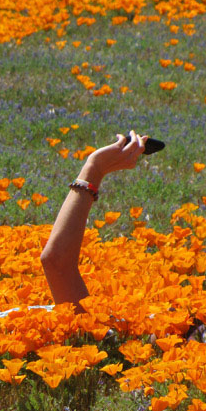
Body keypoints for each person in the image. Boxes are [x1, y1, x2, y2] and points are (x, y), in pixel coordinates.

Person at [41, 130, 148, 312]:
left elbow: (56, 262)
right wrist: (94, 168)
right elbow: (55, 262)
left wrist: (94, 170)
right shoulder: (102, 322)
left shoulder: (88, 325)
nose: (154, 312)